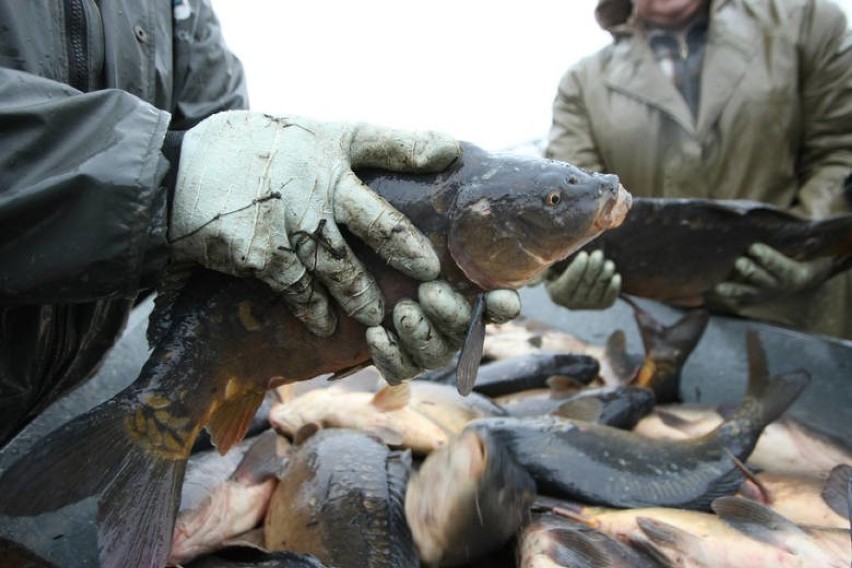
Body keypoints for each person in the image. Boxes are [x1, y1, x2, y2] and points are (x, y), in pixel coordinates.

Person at [0, 1, 519, 446]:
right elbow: (187, 173)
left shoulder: (178, 8)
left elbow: (231, 159)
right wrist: (172, 175)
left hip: (51, 385)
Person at [543, 0, 852, 339]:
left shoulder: (808, 21)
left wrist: (807, 245)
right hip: (665, 330)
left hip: (807, 321)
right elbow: (567, 207)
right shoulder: (582, 85)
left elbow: (841, 148)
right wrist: (560, 273)